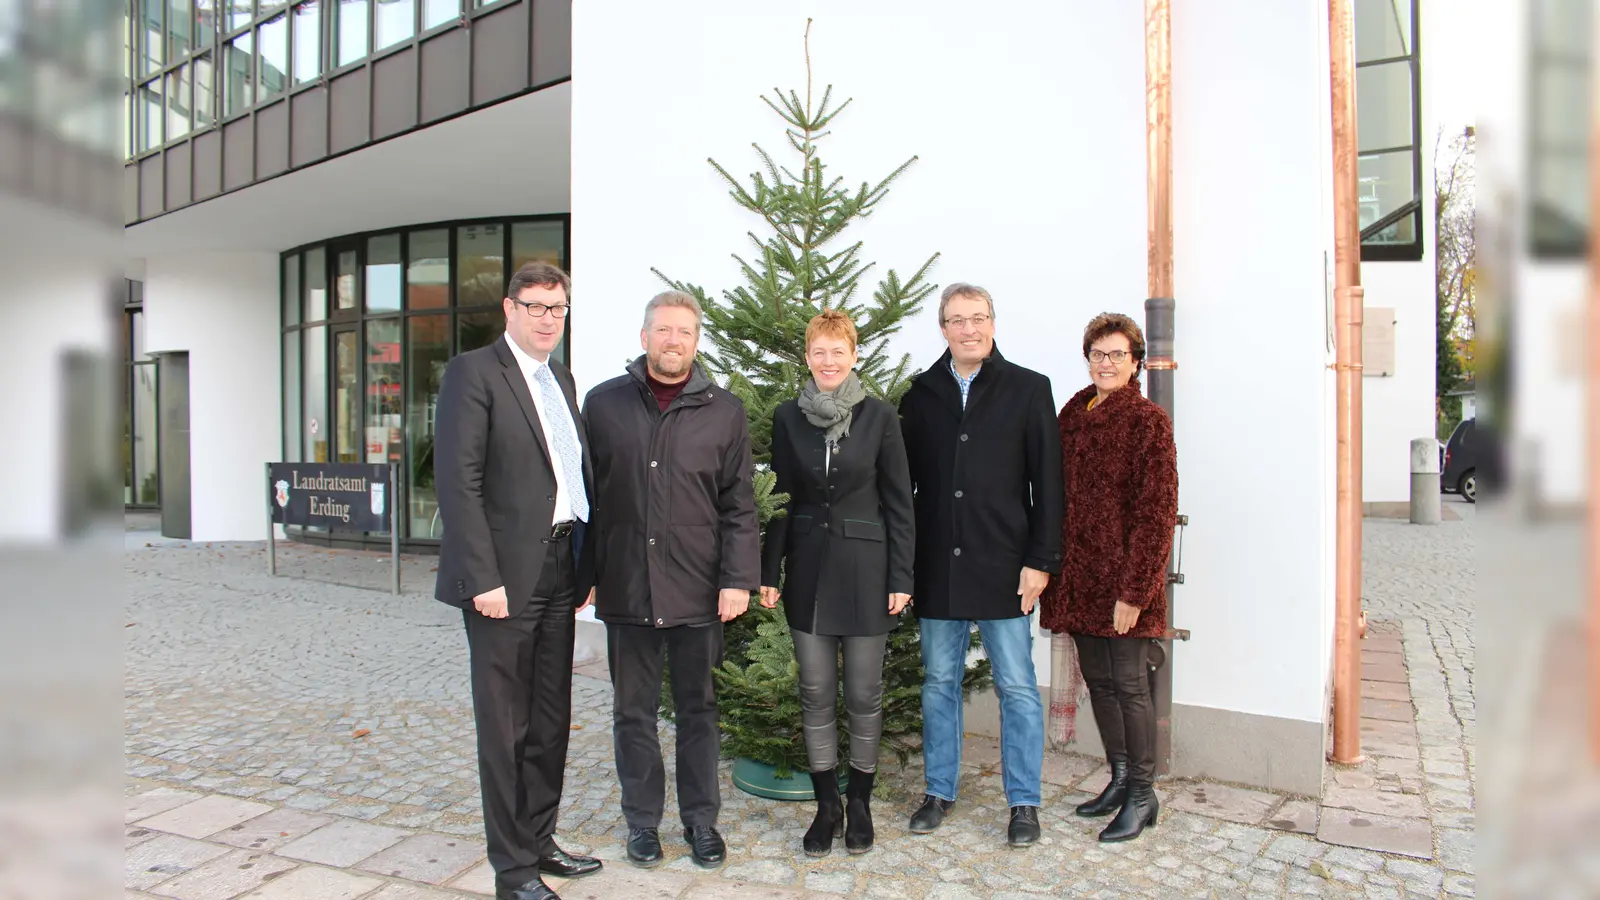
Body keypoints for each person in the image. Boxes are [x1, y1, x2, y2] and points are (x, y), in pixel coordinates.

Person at [433, 262, 602, 900]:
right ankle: (512, 871)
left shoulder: (561, 377)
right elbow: (460, 482)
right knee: (506, 726)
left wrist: (585, 566)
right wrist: (482, 576)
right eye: (535, 306)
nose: (547, 318)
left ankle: (540, 839)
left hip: (560, 568)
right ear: (509, 308)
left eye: (557, 308)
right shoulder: (474, 374)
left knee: (551, 716)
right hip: (502, 579)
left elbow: (572, 475)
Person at [579, 290, 759, 870]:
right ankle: (642, 824)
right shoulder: (603, 405)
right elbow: (586, 497)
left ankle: (701, 823)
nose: (673, 340)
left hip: (699, 589)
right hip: (627, 585)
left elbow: (739, 506)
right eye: (663, 330)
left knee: (698, 711)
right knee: (632, 713)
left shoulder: (725, 411)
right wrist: (585, 574)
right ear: (644, 337)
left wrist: (737, 578)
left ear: (696, 340)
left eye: (684, 331)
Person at [897, 283, 1063, 848]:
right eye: (957, 320)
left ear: (993, 323)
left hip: (1006, 568)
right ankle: (938, 790)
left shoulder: (1028, 389)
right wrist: (903, 566)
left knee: (1017, 686)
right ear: (942, 329)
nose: (969, 329)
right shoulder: (919, 395)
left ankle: (1024, 802)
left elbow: (1050, 484)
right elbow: (904, 489)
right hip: (938, 569)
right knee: (938, 683)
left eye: (979, 318)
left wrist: (1040, 561)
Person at [759, 310, 915, 857]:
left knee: (864, 696)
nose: (828, 361)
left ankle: (862, 805)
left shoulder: (879, 418)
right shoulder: (787, 417)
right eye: (818, 352)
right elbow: (779, 498)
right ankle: (828, 806)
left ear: (853, 356)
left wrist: (902, 575)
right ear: (807, 357)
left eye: (837, 351)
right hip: (807, 571)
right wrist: (768, 571)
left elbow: (899, 502)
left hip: (868, 575)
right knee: (816, 693)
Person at [1041, 312, 1178, 843]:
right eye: (1098, 353)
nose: (1106, 363)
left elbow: (1157, 512)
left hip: (1122, 584)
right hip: (1080, 581)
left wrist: (1135, 592)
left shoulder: (1148, 422)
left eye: (1117, 354)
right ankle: (1119, 778)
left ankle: (1143, 794)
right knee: (1099, 684)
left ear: (1136, 362)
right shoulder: (1073, 413)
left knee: (1129, 686)